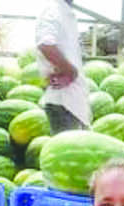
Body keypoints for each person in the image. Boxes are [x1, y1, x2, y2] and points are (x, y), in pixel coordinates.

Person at [36, 0, 91, 133]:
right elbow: (46, 45)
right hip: (63, 103)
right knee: (67, 151)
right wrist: (70, 71)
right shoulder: (53, 10)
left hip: (70, 103)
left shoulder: (63, 12)